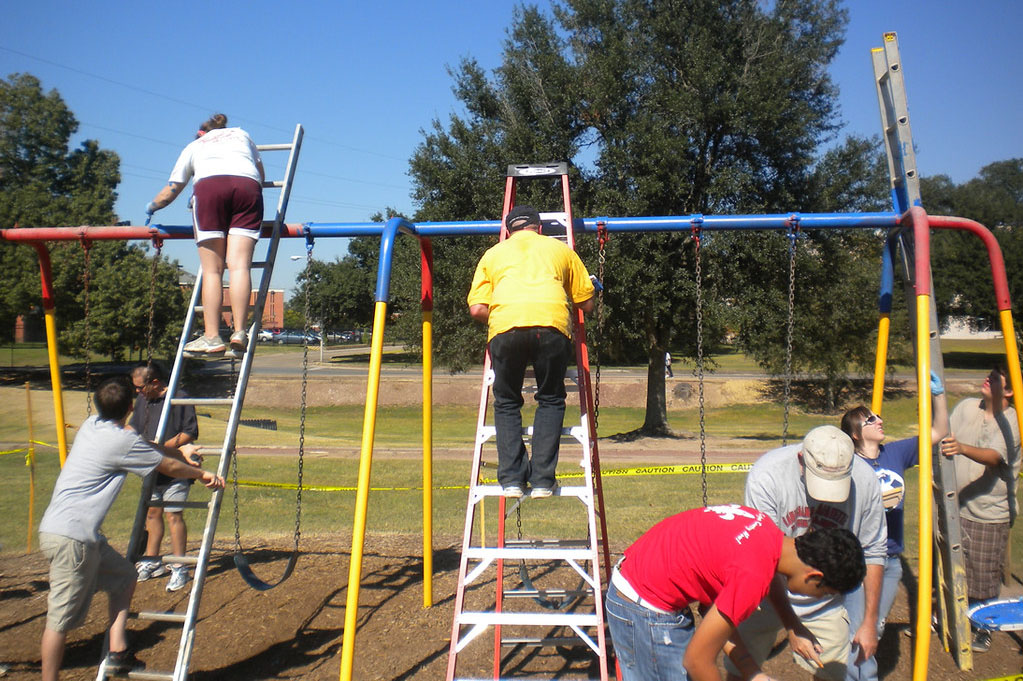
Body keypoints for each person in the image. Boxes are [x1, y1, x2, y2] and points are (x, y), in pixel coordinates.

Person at [38, 376, 224, 681]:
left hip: (69, 533)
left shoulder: (90, 426)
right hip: (72, 539)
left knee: (124, 576)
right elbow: (166, 466)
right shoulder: (122, 441)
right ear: (130, 407)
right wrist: (200, 472)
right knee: (59, 621)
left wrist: (182, 452)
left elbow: (148, 448)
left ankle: (118, 651)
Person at [606, 504, 865, 681]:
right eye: (825, 593)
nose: (819, 598)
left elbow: (715, 618)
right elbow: (697, 661)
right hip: (644, 609)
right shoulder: (752, 577)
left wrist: (756, 672)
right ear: (814, 576)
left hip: (637, 583)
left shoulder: (765, 530)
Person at [724, 425, 887, 681]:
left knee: (832, 672)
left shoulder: (865, 481)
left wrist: (869, 622)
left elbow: (874, 550)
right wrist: (792, 624)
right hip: (765, 592)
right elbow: (764, 557)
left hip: (824, 599)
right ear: (801, 460)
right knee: (740, 669)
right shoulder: (768, 475)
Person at [467, 205, 595, 498]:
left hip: (505, 328)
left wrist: (506, 317)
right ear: (538, 227)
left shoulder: (492, 254)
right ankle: (542, 481)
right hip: (551, 326)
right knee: (550, 399)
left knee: (507, 402)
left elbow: (477, 309)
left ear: (509, 230)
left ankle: (512, 480)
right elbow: (586, 304)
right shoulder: (561, 250)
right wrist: (593, 290)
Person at [839, 371, 948, 681]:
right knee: (857, 626)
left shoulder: (895, 453)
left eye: (877, 416)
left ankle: (860, 672)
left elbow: (939, 430)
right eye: (869, 420)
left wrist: (937, 395)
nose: (878, 420)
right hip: (858, 559)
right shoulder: (847, 464)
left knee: (875, 626)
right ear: (856, 435)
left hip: (890, 559)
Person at [146, 113, 265, 358]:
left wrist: (151, 207)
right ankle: (240, 331)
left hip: (210, 188)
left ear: (201, 133)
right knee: (240, 266)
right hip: (247, 188)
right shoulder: (242, 136)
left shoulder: (194, 146)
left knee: (213, 270)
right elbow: (260, 175)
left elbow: (170, 192)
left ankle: (212, 337)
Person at [940, 367, 1021, 652]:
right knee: (951, 565)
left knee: (983, 575)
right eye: (988, 375)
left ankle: (983, 627)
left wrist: (961, 448)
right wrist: (936, 396)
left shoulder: (1012, 421)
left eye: (996, 378)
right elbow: (941, 432)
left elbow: (994, 457)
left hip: (989, 511)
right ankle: (949, 615)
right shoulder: (965, 407)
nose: (987, 379)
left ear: (1008, 391)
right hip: (955, 503)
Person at [129, 363, 200, 592]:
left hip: (176, 468)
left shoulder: (180, 397)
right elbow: (134, 429)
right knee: (152, 513)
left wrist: (163, 448)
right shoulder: (143, 401)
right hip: (152, 468)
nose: (138, 392)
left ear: (156, 383)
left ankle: (180, 566)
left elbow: (189, 431)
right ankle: (152, 561)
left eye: (140, 388)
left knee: (173, 515)